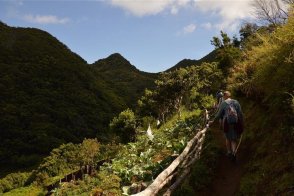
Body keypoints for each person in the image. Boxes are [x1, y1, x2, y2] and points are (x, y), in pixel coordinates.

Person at [209, 90, 243, 162]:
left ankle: (229, 152)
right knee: (234, 139)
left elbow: (218, 115)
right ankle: (234, 152)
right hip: (236, 122)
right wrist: (242, 122)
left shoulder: (223, 103)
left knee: (228, 138)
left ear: (224, 96)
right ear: (230, 96)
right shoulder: (236, 102)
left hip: (227, 123)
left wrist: (213, 121)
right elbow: (240, 113)